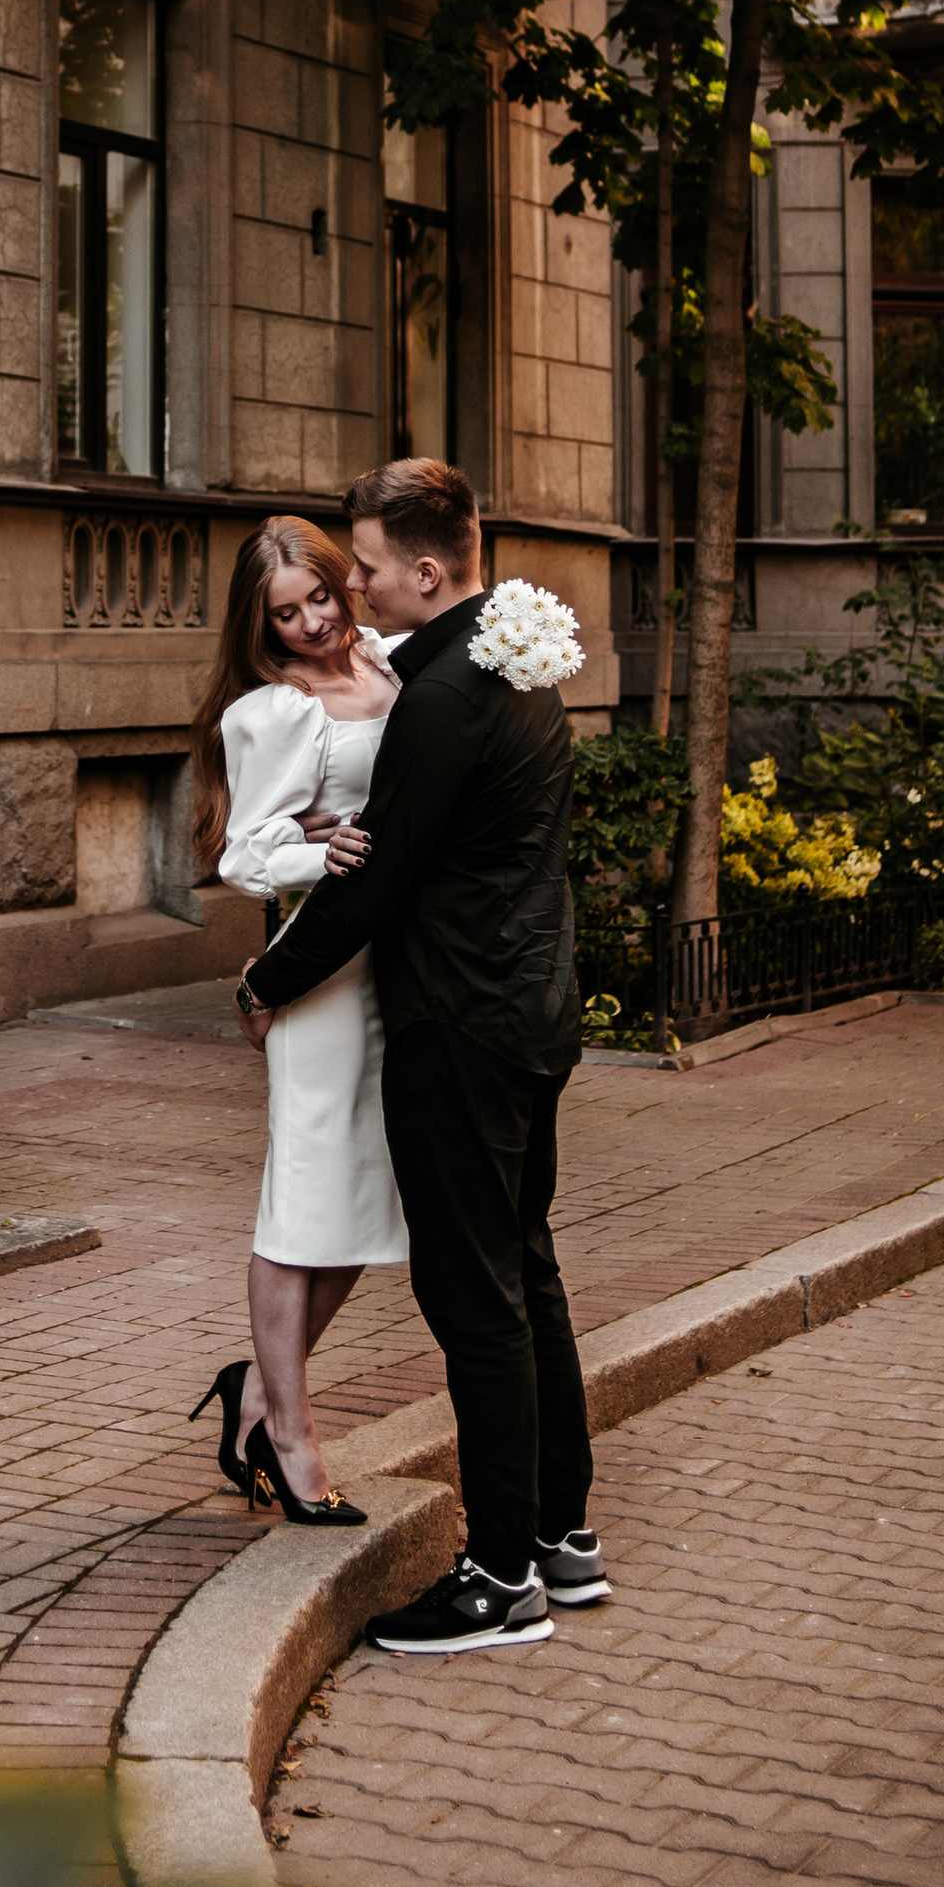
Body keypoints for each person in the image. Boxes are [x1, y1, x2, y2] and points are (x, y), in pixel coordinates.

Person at [235, 458, 609, 1654]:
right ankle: (561, 1535)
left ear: (428, 570)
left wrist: (267, 978)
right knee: (526, 1271)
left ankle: (501, 1578)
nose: (359, 591)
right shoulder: (510, 661)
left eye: (373, 570)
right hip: (531, 1013)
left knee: (476, 1299)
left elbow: (380, 878)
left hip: (459, 1026)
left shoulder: (444, 694)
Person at [185, 516, 407, 1526]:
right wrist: (324, 852)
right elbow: (242, 856)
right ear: (260, 625)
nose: (314, 623)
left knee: (364, 1211)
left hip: (398, 971)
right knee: (301, 1204)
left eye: (320, 595)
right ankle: (291, 1437)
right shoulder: (275, 709)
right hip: (323, 980)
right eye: (287, 614)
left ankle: (259, 1395)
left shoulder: (387, 659)